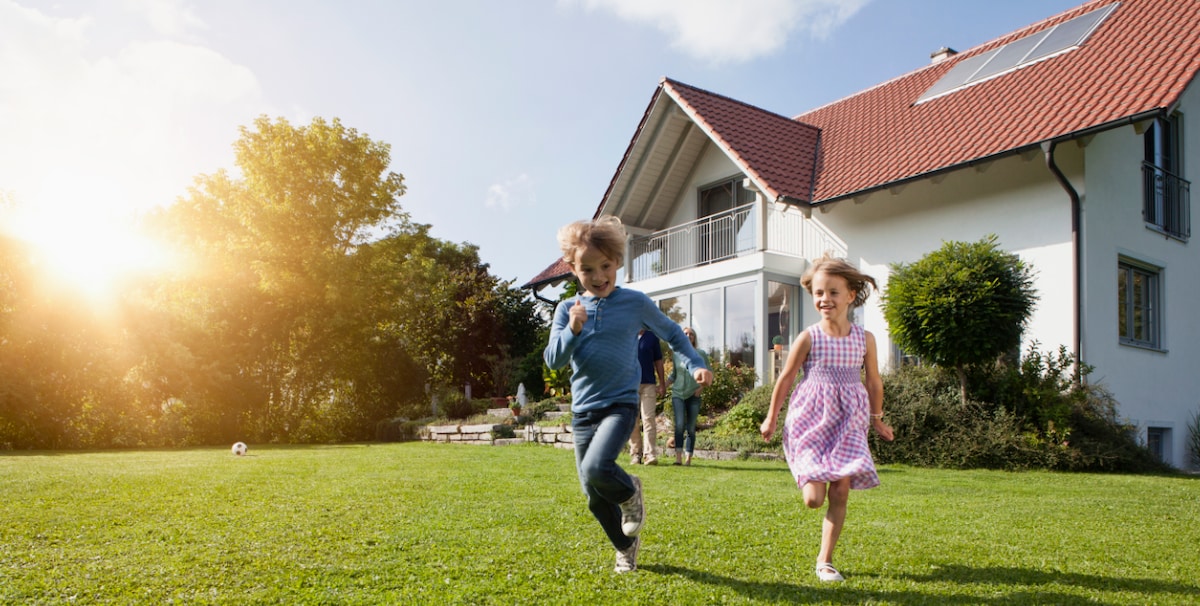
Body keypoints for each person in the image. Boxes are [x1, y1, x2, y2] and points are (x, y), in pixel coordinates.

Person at [545, 215, 713, 574]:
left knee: (596, 467)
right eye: (587, 269)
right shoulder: (566, 310)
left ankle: (630, 491)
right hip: (584, 411)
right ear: (573, 269)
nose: (598, 276)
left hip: (620, 405)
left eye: (605, 266)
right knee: (592, 497)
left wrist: (695, 362)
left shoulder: (635, 303)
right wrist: (573, 329)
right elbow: (554, 360)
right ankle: (626, 546)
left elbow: (673, 334)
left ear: (617, 262)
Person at [759, 253, 895, 583]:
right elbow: (787, 378)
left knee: (840, 492)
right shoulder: (809, 337)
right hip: (810, 421)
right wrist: (771, 417)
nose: (825, 299)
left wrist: (877, 418)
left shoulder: (865, 339)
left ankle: (825, 561)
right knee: (812, 499)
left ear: (850, 295)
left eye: (833, 292)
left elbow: (873, 380)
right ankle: (808, 476)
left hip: (849, 421)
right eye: (819, 293)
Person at [668, 327, 709, 466]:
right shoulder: (676, 354)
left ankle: (688, 459)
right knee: (679, 425)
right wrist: (662, 386)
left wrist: (700, 388)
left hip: (694, 394)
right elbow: (673, 375)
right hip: (678, 393)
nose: (688, 336)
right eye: (685, 334)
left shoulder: (701, 354)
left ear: (694, 338)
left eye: (691, 334)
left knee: (691, 428)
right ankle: (678, 458)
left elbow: (708, 373)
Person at [628, 329, 665, 465]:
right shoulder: (627, 334)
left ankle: (650, 454)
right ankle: (636, 454)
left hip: (648, 384)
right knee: (633, 421)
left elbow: (658, 361)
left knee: (648, 419)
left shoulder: (652, 337)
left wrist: (662, 383)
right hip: (630, 385)